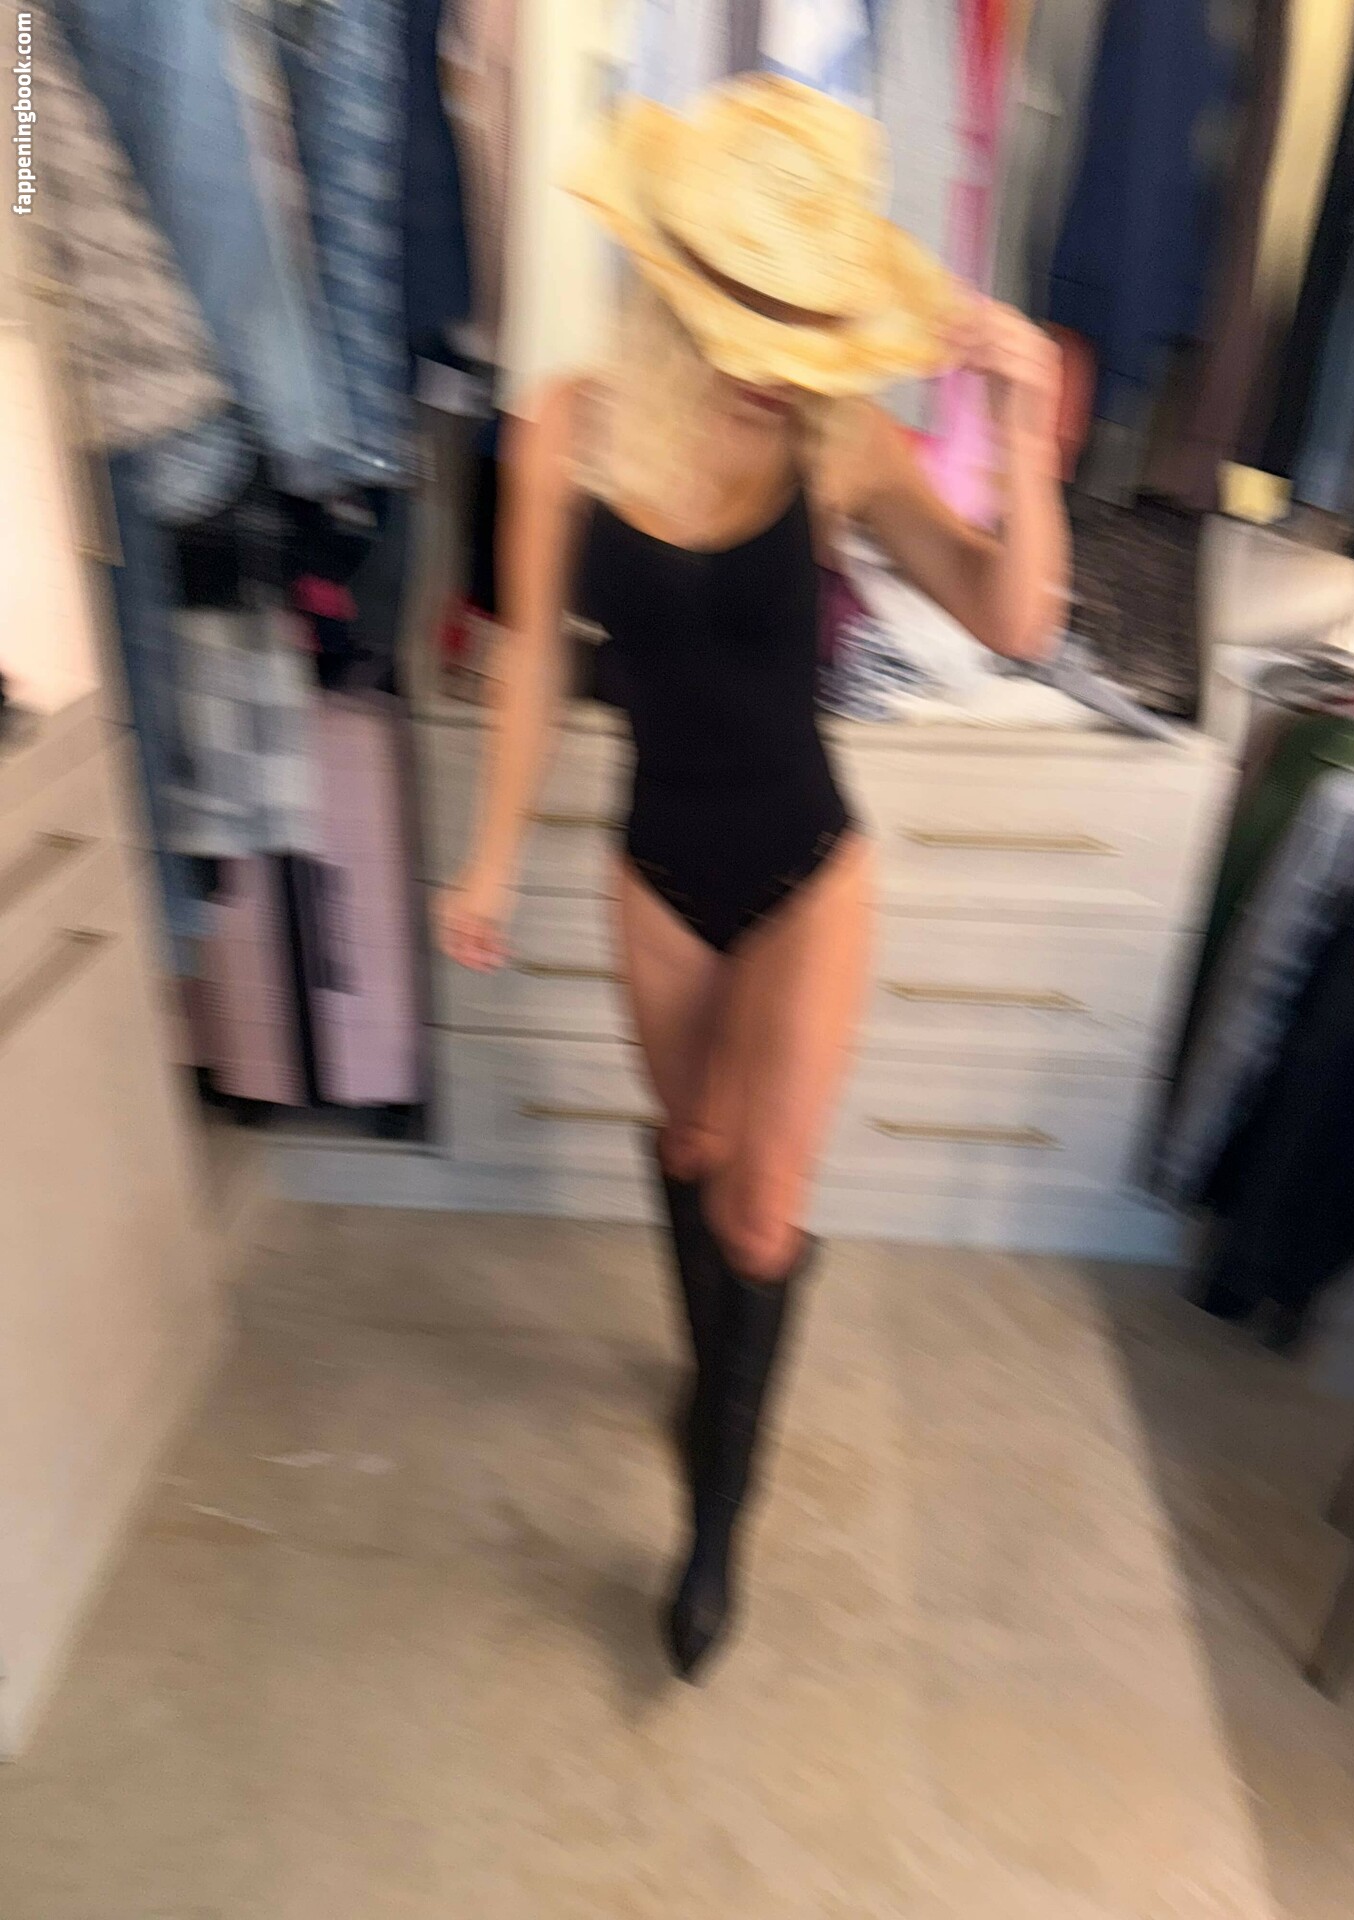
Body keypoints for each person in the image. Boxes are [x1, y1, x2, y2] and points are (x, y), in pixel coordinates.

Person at [437, 75, 1070, 1682]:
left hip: (804, 861)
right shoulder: (565, 432)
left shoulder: (840, 440)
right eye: (754, 313)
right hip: (657, 862)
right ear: (677, 281)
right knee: (691, 1146)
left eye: (800, 317)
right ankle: (711, 1378)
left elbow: (1014, 619)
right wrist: (490, 859)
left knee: (764, 1204)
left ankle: (714, 1522)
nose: (777, 351)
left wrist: (1025, 438)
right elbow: (529, 660)